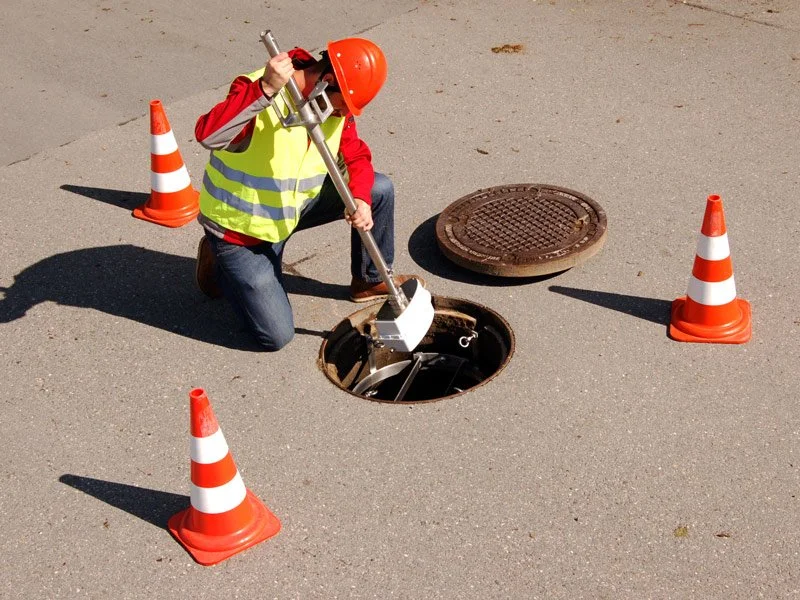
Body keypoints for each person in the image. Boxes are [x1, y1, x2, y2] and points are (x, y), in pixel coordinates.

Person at [193, 37, 423, 350]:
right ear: (326, 81)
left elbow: (355, 156)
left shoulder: (332, 105)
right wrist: (265, 89)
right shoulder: (256, 90)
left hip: (292, 209)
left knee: (377, 189)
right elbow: (208, 135)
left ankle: (368, 281)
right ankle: (217, 262)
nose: (343, 114)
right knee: (276, 336)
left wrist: (360, 199)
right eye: (343, 105)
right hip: (241, 231)